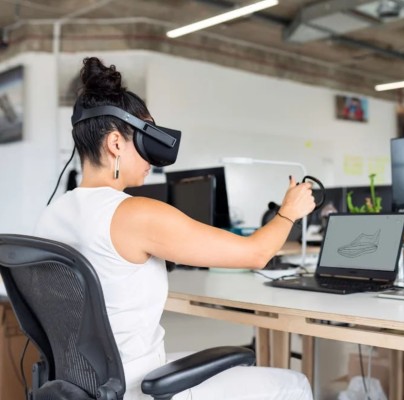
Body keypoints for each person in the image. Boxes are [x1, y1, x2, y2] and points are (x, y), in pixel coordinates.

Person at [34, 57, 316, 400]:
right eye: (144, 137)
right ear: (116, 143)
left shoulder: (50, 216)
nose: (152, 159)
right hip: (138, 386)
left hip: (85, 386)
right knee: (293, 384)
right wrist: (289, 212)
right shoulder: (136, 214)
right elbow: (256, 253)